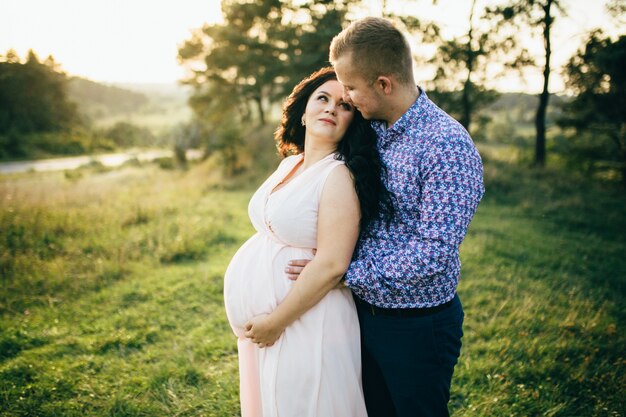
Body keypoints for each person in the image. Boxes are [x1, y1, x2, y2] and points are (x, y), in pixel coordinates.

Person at [286, 17, 485, 417]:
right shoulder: (371, 127)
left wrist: (343, 272)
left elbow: (433, 255)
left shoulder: (447, 147)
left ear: (383, 84)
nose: (347, 98)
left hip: (414, 325)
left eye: (352, 89)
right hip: (357, 315)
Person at [223, 66, 394, 417]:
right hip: (280, 325)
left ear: (352, 122)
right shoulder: (291, 163)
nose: (332, 108)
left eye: (344, 105)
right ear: (304, 112)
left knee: (307, 404)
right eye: (323, 98)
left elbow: (332, 265)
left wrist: (276, 322)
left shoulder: (338, 176)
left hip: (308, 321)